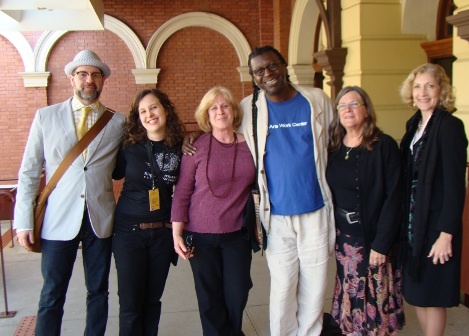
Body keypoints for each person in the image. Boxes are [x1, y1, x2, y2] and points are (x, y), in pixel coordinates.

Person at [183, 46, 335, 335]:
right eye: (259, 71)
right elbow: (221, 127)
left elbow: (335, 141)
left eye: (272, 66)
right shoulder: (250, 107)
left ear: (283, 65)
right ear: (253, 77)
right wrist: (193, 136)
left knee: (315, 287)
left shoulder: (315, 100)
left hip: (315, 209)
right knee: (282, 288)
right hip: (275, 214)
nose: (267, 74)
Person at [14, 50, 125, 336]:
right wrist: (24, 221)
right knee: (52, 293)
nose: (89, 80)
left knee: (99, 291)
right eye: (83, 74)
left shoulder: (117, 122)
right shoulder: (46, 117)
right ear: (72, 78)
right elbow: (28, 172)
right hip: (57, 219)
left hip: (99, 219)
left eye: (95, 75)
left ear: (102, 81)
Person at [171, 86, 255, 336]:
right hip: (200, 234)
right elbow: (183, 191)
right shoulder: (196, 147)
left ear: (234, 111)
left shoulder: (250, 145)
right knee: (209, 297)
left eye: (225, 106)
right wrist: (176, 233)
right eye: (213, 108)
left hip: (237, 234)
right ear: (206, 115)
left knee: (237, 291)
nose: (220, 111)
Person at [326, 86, 405, 334]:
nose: (347, 110)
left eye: (354, 104)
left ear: (366, 110)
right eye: (342, 106)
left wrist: (381, 244)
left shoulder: (384, 146)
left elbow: (395, 198)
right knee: (350, 303)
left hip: (373, 240)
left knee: (374, 307)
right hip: (345, 243)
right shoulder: (334, 147)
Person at [399, 63, 468, 336]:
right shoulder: (414, 124)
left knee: (434, 294)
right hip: (414, 223)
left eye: (430, 86)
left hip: (437, 225)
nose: (422, 92)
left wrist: (446, 234)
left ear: (442, 90)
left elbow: (454, 186)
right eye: (417, 86)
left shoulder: (450, 126)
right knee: (418, 292)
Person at [112, 89, 185, 335]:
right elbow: (113, 172)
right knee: (131, 304)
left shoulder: (181, 146)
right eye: (142, 111)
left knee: (152, 301)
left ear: (165, 109)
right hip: (128, 233)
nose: (149, 114)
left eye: (153, 107)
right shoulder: (128, 146)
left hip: (162, 234)